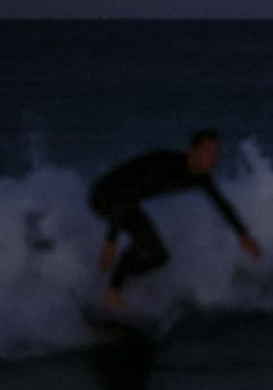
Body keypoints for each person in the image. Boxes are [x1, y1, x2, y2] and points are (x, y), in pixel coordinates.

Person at [88, 129, 261, 309]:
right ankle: (112, 294)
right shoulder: (166, 166)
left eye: (217, 152)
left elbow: (221, 203)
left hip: (127, 201)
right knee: (144, 241)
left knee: (159, 256)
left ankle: (118, 280)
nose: (215, 158)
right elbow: (131, 194)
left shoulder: (200, 176)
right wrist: (111, 240)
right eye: (209, 152)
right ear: (194, 151)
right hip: (107, 195)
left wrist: (243, 235)